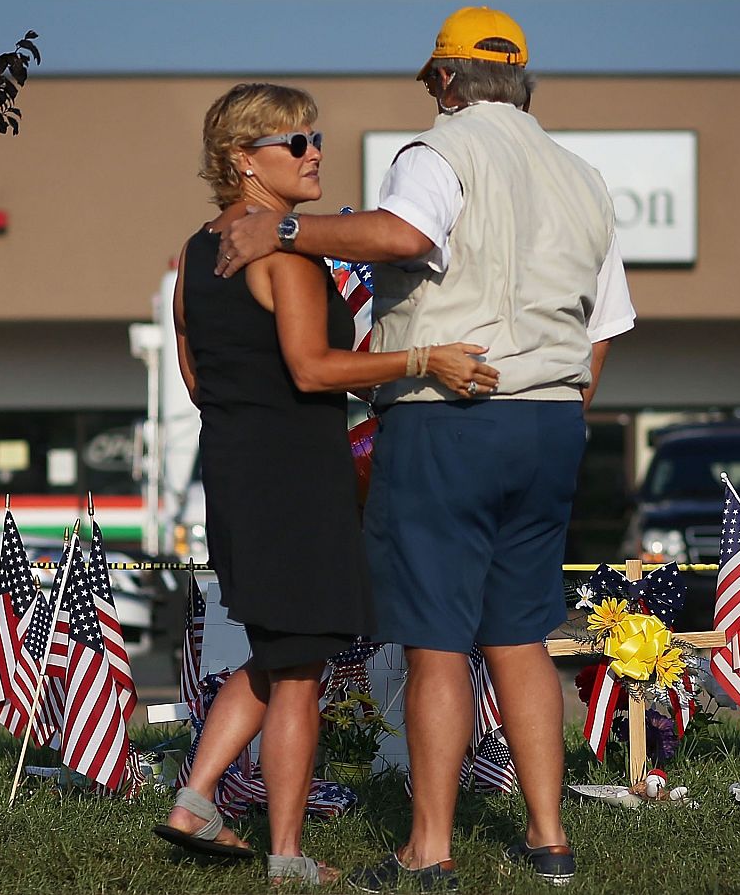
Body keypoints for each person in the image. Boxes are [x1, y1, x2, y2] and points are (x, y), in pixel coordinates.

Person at [215, 8, 636, 892]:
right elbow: (607, 328)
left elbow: (406, 235)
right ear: (522, 81)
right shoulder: (583, 176)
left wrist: (286, 230)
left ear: (445, 80)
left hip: (451, 414)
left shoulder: (437, 152)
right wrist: (555, 392)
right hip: (553, 420)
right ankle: (549, 838)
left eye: (429, 81)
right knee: (522, 634)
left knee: (440, 642)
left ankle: (430, 847)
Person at [151, 82, 501, 887]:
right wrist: (425, 359)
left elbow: (199, 379)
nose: (315, 153)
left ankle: (196, 798)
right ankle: (288, 853)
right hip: (295, 479)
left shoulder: (194, 256)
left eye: (315, 138)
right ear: (244, 159)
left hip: (234, 470)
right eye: (294, 143)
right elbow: (313, 369)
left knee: (281, 650)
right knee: (301, 669)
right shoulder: (283, 252)